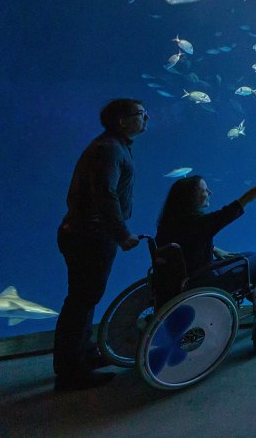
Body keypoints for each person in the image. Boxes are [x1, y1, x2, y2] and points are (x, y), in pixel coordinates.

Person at [54, 99, 146, 392]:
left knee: (85, 298)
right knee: (80, 302)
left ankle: (82, 355)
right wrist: (121, 234)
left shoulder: (113, 145)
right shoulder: (109, 149)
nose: (146, 118)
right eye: (140, 114)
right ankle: (70, 373)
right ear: (121, 121)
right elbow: (104, 195)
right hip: (90, 235)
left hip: (88, 233)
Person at [154, 162, 256, 326]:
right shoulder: (201, 223)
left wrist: (214, 248)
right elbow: (246, 198)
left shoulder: (167, 224)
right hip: (206, 282)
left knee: (248, 255)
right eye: (205, 190)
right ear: (192, 197)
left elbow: (186, 244)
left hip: (184, 282)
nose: (210, 192)